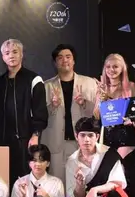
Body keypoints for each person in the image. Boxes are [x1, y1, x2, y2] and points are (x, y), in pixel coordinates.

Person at [0, 39, 48, 187]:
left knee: (25, 182)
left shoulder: (34, 80)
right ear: (3, 57)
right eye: (7, 53)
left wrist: (35, 135)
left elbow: (40, 111)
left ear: (22, 54)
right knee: (3, 181)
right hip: (3, 142)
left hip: (26, 141)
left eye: (15, 52)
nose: (11, 55)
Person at [42, 44, 98, 186]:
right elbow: (40, 117)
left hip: (80, 142)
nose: (64, 60)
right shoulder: (46, 86)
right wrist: (52, 106)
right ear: (55, 63)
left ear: (74, 61)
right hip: (56, 143)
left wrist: (84, 103)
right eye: (60, 58)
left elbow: (97, 115)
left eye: (68, 57)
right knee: (57, 185)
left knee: (80, 184)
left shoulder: (90, 83)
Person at [95, 53, 135, 158]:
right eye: (108, 67)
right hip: (107, 135)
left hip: (126, 135)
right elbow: (96, 116)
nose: (111, 70)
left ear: (122, 68)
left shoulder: (131, 87)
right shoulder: (101, 88)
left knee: (123, 166)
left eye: (115, 66)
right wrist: (101, 100)